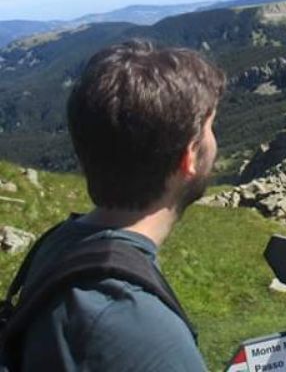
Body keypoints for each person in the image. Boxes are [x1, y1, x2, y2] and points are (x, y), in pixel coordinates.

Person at [19, 39, 225, 371]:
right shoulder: (142, 333)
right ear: (188, 157)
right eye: (210, 128)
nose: (215, 141)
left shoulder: (60, 243)